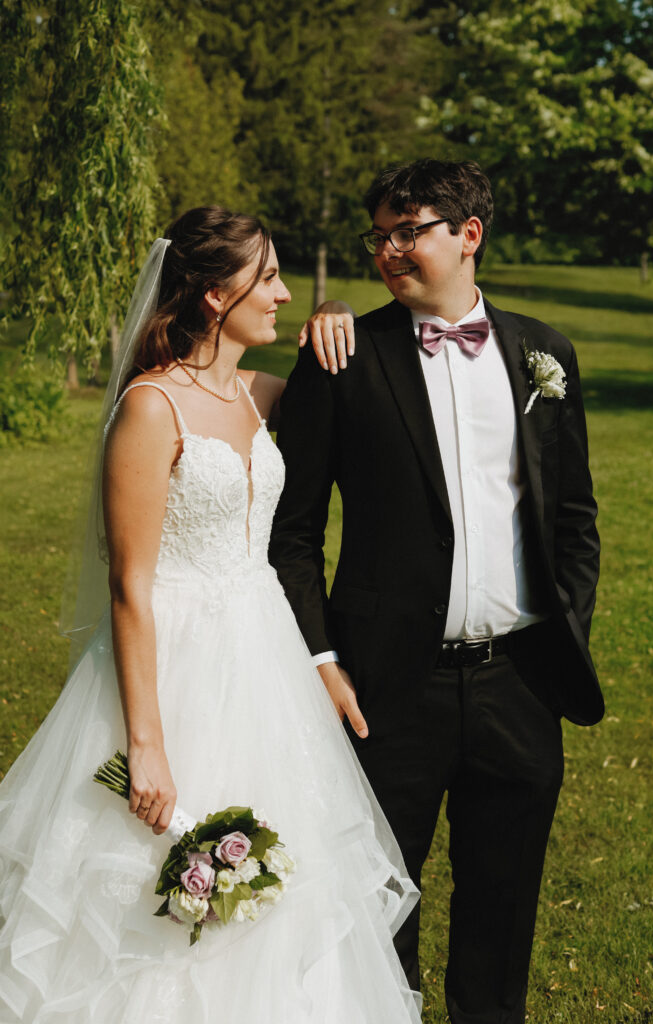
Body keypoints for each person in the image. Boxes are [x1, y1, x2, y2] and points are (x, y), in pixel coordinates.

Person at [0, 207, 422, 1023]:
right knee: (146, 897)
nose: (284, 294)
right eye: (266, 279)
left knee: (292, 894)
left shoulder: (262, 395)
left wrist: (336, 319)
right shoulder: (151, 408)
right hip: (179, 665)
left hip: (264, 660)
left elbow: (343, 381)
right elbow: (130, 585)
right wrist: (146, 747)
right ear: (207, 296)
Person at [270, 159, 604, 1024]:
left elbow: (574, 518)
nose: (386, 249)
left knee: (504, 905)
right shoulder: (341, 356)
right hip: (385, 686)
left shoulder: (544, 356)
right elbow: (292, 533)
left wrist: (564, 626)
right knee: (379, 904)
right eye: (377, 234)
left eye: (406, 229)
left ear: (468, 234)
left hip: (520, 684)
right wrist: (321, 657)